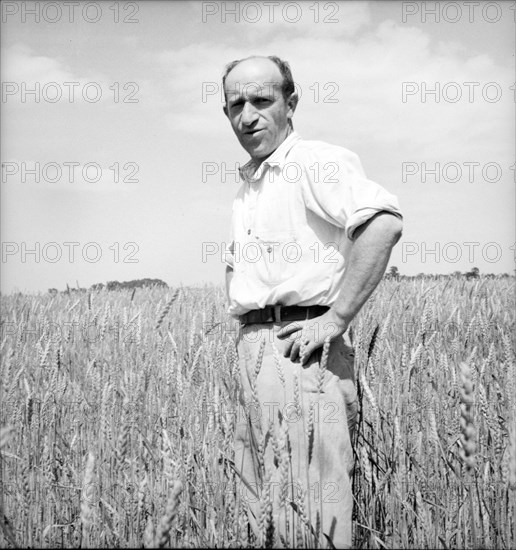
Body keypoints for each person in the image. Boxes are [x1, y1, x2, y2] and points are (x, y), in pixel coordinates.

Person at [222, 55, 403, 549]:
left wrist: (337, 317)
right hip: (255, 349)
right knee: (261, 506)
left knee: (316, 511)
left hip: (300, 353)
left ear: (291, 103)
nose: (249, 114)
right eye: (237, 104)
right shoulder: (252, 181)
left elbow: (383, 223)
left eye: (262, 100)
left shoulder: (313, 161)